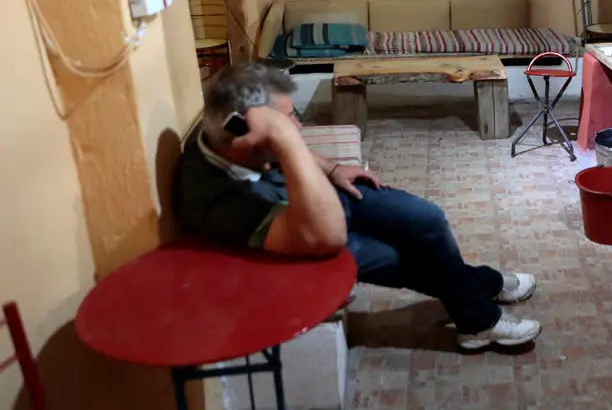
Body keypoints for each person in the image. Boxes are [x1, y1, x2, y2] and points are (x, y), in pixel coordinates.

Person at [173, 63, 541, 349]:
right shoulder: (212, 202)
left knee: (426, 218)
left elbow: (281, 149)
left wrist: (331, 168)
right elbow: (329, 236)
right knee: (405, 260)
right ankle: (480, 320)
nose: (297, 128)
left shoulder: (223, 132)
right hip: (305, 232)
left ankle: (485, 286)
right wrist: (284, 140)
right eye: (286, 123)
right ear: (245, 134)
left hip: (308, 191)